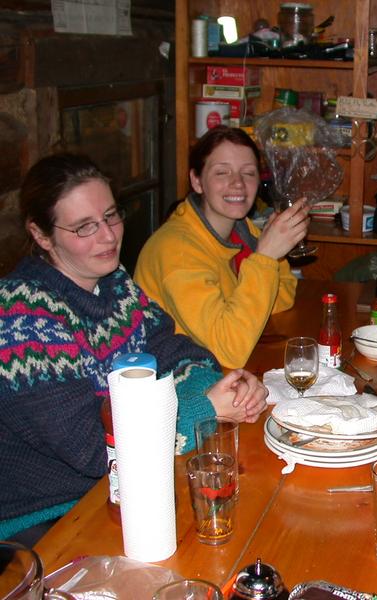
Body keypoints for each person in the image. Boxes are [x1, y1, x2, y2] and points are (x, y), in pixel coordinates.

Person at [0, 153, 268, 545]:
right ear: (42, 235)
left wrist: (226, 389)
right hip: (50, 516)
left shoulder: (111, 281)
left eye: (111, 216)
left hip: (129, 487)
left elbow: (174, 350)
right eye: (84, 227)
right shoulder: (23, 317)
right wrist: (204, 409)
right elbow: (95, 451)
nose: (108, 237)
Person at [135, 126, 308, 369]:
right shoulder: (177, 250)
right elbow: (229, 350)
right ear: (197, 181)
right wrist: (266, 257)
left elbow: (282, 297)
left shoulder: (241, 229)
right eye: (222, 172)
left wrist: (267, 258)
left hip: (214, 370)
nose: (237, 183)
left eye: (248, 173)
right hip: (173, 384)